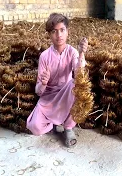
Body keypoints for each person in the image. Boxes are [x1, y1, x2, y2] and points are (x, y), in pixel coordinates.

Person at [26, 13, 88, 147]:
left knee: (76, 84)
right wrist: (43, 83)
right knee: (34, 127)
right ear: (49, 34)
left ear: (67, 32)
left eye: (62, 30)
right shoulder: (44, 56)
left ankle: (68, 127)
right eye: (54, 31)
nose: (59, 35)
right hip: (48, 98)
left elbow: (79, 75)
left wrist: (82, 53)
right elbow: (38, 91)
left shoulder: (72, 52)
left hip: (67, 94)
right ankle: (53, 123)